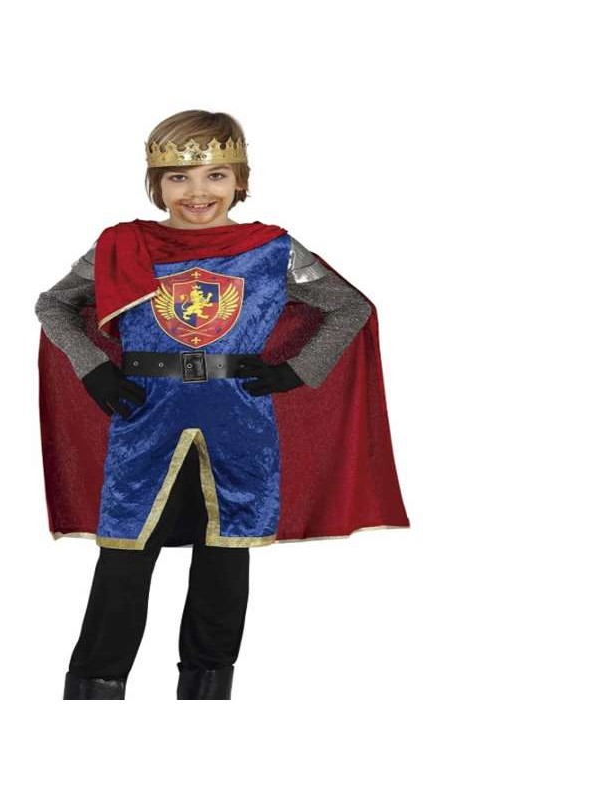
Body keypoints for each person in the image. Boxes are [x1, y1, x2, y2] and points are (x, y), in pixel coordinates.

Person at [35, 109, 410, 700]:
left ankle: (207, 697)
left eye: (215, 175)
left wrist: (296, 370)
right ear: (156, 184)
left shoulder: (271, 249)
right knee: (125, 561)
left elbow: (351, 307)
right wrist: (93, 366)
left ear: (240, 180)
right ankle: (94, 694)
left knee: (224, 563)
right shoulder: (124, 246)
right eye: (178, 178)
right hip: (146, 418)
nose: (197, 192)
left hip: (237, 421)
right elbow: (53, 304)